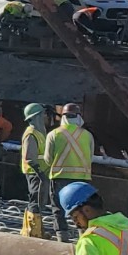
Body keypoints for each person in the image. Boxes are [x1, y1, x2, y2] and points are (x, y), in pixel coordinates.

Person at [44, 104, 94, 242]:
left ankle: (62, 239)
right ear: (78, 117)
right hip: (82, 179)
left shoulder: (53, 134)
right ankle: (83, 237)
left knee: (58, 209)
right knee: (82, 210)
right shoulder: (87, 135)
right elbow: (90, 158)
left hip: (59, 177)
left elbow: (48, 160)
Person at [20, 103, 58, 226]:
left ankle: (37, 228)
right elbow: (29, 157)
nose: (45, 117)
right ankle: (32, 229)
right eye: (43, 114)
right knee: (35, 201)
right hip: (35, 173)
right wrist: (39, 172)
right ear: (37, 116)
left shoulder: (40, 132)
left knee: (40, 202)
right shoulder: (31, 134)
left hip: (41, 172)